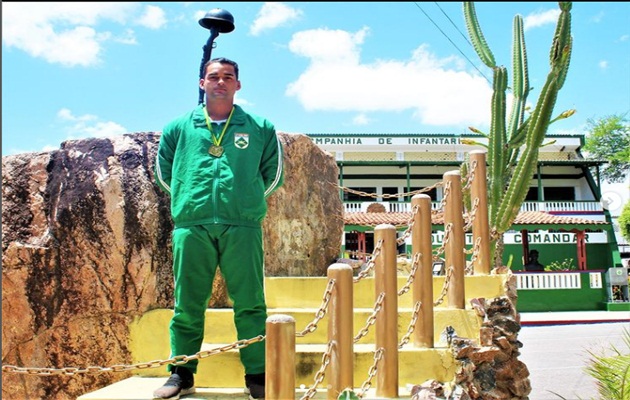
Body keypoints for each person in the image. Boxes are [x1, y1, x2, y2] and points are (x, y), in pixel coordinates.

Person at [153, 57, 284, 400]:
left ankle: (257, 375)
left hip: (242, 225)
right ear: (202, 83)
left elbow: (273, 172)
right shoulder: (179, 127)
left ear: (238, 85)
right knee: (187, 304)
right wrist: (188, 202)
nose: (220, 82)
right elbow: (164, 173)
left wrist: (246, 202)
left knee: (251, 303)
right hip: (191, 226)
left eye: (228, 77)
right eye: (214, 77)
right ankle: (181, 374)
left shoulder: (259, 126)